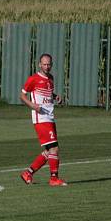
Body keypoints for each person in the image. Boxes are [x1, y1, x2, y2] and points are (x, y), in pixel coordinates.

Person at [19, 54, 67, 187]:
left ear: (51, 65)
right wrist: (32, 105)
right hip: (41, 119)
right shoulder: (33, 79)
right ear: (39, 64)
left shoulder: (51, 78)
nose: (46, 67)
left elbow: (48, 92)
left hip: (49, 117)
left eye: (49, 64)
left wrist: (56, 97)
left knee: (49, 151)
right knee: (55, 149)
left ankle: (28, 173)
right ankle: (54, 178)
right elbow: (22, 95)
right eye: (44, 64)